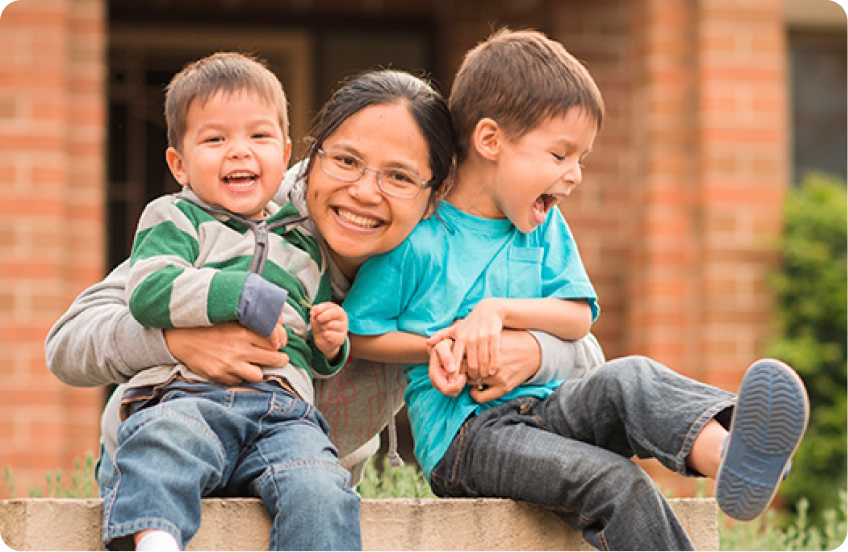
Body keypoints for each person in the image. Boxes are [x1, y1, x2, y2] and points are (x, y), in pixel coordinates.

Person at [45, 63, 605, 543]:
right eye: (345, 161)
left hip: (297, 486)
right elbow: (68, 340)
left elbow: (587, 356)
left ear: (435, 197)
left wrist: (529, 351)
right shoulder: (251, 223)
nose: (364, 191)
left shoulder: (444, 263)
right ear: (309, 156)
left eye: (399, 177)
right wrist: (176, 339)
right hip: (176, 460)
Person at [342, 28, 810, 551]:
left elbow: (577, 317)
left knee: (630, 376)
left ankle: (729, 456)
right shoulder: (420, 239)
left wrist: (497, 311)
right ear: (491, 141)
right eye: (561, 154)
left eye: (581, 159)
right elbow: (360, 333)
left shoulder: (543, 226)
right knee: (616, 482)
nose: (575, 175)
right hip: (468, 438)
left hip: (552, 406)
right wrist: (439, 344)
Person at [101, 52, 360, 551]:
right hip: (185, 397)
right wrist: (236, 294)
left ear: (284, 154)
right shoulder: (174, 219)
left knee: (322, 485)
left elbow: (302, 342)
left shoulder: (304, 244)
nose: (239, 152)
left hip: (283, 412)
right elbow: (149, 290)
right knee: (160, 446)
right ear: (179, 163)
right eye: (216, 139)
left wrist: (329, 342)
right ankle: (156, 541)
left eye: (258, 137)